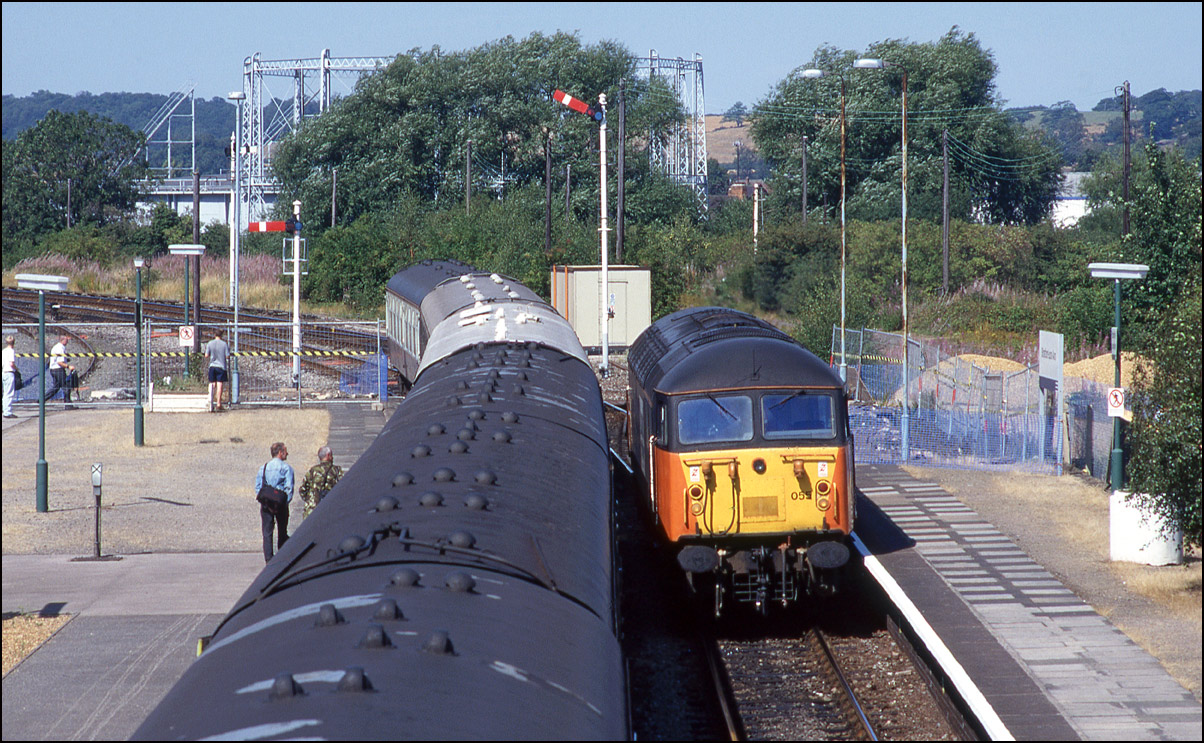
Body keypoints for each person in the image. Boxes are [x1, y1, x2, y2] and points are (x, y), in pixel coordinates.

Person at [255, 442, 294, 562]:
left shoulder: (264, 467)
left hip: (266, 505)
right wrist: (284, 503)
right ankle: (282, 558)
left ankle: (269, 560)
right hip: (281, 504)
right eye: (285, 451)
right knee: (282, 531)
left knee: (267, 533)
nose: (287, 453)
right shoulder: (286, 468)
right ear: (280, 452)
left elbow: (258, 487)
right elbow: (289, 488)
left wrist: (266, 502)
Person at [299, 445, 344, 519]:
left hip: (312, 510)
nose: (332, 457)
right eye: (331, 455)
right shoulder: (337, 470)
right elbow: (343, 488)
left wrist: (310, 500)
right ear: (328, 455)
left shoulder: (312, 471)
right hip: (330, 510)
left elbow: (303, 490)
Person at [43, 335, 76, 405]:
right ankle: (68, 404)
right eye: (66, 340)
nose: (67, 342)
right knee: (66, 386)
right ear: (62, 340)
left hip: (53, 369)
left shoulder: (56, 347)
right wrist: (68, 366)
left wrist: (66, 360)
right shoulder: (60, 348)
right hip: (58, 370)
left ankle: (41, 400)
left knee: (56, 387)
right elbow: (59, 362)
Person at [205, 328, 230, 412]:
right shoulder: (224, 344)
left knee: (212, 384)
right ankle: (219, 403)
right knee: (220, 384)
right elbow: (227, 356)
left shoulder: (210, 343)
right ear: (221, 335)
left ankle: (211, 402)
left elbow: (206, 355)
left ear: (214, 335)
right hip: (221, 366)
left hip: (212, 366)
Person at [3, 336, 17, 418]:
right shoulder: (11, 351)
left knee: (5, 392)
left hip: (4, 372)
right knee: (9, 393)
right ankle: (7, 412)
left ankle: (5, 409)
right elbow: (11, 363)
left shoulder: (3, 351)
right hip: (9, 372)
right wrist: (16, 369)